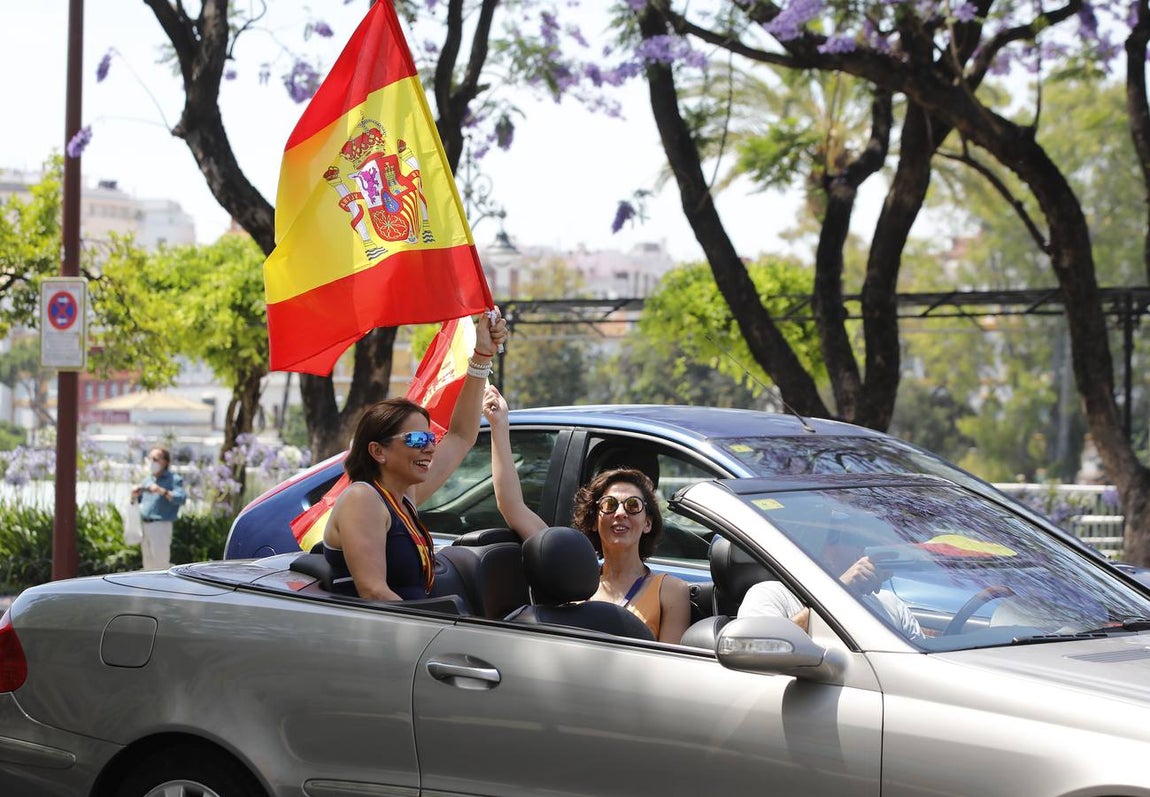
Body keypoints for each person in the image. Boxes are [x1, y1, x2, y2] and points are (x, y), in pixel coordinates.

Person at [322, 311, 508, 601]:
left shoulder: (404, 497)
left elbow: (460, 436)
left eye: (430, 438)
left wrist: (482, 355)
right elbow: (373, 591)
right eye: (417, 439)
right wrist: (434, 627)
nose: (430, 447)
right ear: (377, 451)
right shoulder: (363, 499)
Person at [484, 389, 691, 644]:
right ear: (595, 519)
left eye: (633, 506)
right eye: (610, 504)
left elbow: (672, 669)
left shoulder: (671, 591)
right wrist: (499, 426)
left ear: (648, 523)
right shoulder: (571, 578)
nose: (621, 513)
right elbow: (511, 506)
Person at [738, 527, 924, 641]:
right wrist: (842, 592)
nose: (862, 549)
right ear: (820, 546)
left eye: (864, 541)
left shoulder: (890, 603)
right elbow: (761, 653)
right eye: (851, 539)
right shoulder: (771, 594)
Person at [131, 447, 187, 570]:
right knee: (147, 564)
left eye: (155, 459)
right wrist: (134, 496)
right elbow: (139, 501)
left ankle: (162, 588)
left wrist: (162, 491)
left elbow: (181, 498)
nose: (152, 462)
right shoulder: (147, 479)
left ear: (165, 462)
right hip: (145, 525)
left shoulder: (174, 479)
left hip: (161, 525)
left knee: (160, 564)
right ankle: (148, 589)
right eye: (150, 458)